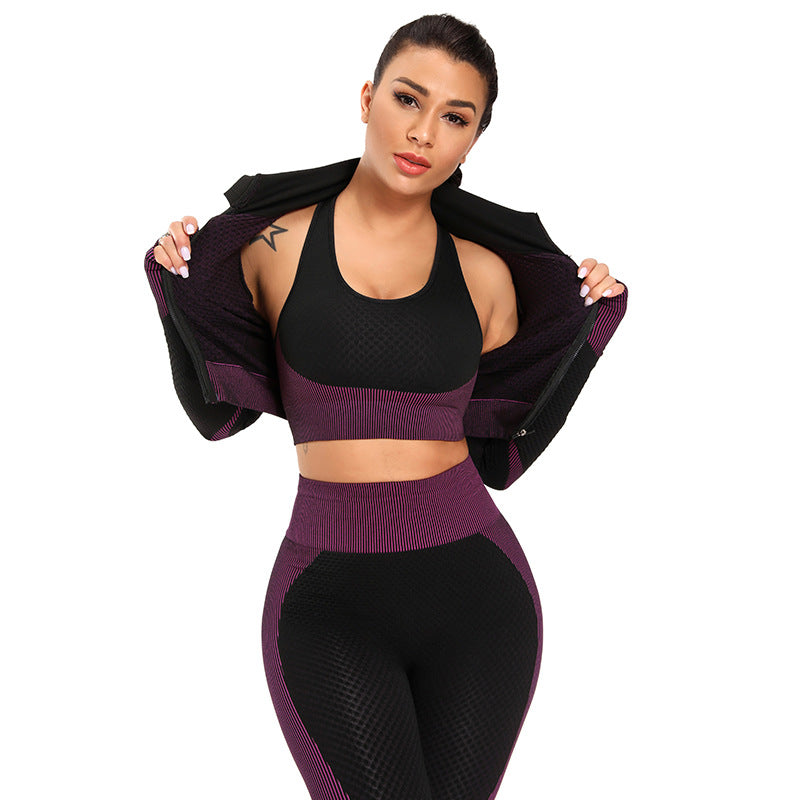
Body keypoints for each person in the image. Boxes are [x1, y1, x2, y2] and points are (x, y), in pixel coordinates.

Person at [147, 14, 627, 800]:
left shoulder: (487, 275)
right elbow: (215, 412)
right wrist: (176, 280)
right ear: (368, 98)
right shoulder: (272, 248)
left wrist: (588, 319)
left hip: (481, 599)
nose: (424, 132)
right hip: (327, 601)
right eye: (408, 99)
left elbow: (505, 454)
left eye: (456, 117)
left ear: (474, 138)